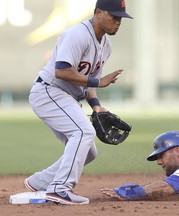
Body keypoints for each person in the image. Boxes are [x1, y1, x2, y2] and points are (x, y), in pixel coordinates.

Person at [24, 0, 133, 205]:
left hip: (65, 97)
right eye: (114, 16)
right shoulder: (78, 34)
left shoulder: (105, 46)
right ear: (98, 12)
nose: (118, 22)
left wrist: (96, 105)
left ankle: (39, 182)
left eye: (121, 18)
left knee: (89, 152)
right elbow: (62, 71)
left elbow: (88, 82)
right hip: (49, 91)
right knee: (83, 132)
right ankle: (59, 189)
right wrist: (98, 82)